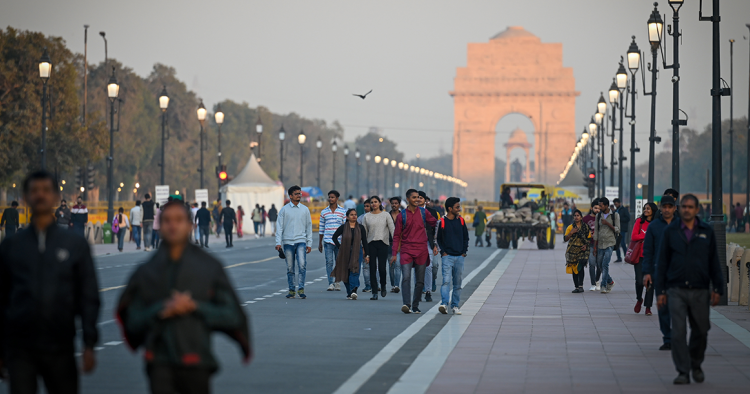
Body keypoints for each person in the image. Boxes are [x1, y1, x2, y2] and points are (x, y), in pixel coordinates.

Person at [116, 200, 251, 394]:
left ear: (190, 225)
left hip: (197, 360)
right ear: (159, 226)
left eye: (179, 220)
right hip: (159, 361)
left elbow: (232, 315)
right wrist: (162, 309)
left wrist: (195, 307)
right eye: (167, 221)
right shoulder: (147, 272)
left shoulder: (209, 267)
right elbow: (132, 320)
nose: (173, 226)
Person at [0, 171, 100, 393]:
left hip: (60, 343)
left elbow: (88, 295)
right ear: (26, 197)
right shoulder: (12, 246)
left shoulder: (74, 245)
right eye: (34, 191)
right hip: (20, 346)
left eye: (46, 190)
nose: (40, 196)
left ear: (56, 197)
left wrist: (89, 342)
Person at [655, 194, 723, 385]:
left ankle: (695, 363)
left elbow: (714, 262)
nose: (686, 210)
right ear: (680, 208)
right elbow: (662, 263)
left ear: (697, 209)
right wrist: (660, 292)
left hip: (700, 289)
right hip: (676, 289)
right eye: (684, 206)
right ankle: (683, 371)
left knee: (701, 330)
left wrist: (717, 287)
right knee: (677, 332)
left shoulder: (706, 231)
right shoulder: (671, 232)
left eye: (690, 207)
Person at [392, 189, 438, 314]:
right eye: (414, 197)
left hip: (422, 250)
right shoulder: (402, 215)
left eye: (418, 197)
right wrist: (394, 253)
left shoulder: (424, 213)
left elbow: (435, 223)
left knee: (420, 280)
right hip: (406, 250)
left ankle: (415, 305)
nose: (417, 199)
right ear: (407, 199)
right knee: (406, 277)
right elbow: (396, 235)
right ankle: (406, 304)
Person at [642, 195, 677, 351]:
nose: (667, 209)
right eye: (665, 207)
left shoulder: (682, 225)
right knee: (663, 307)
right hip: (660, 272)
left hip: (678, 273)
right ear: (661, 208)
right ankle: (668, 338)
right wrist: (647, 272)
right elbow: (648, 251)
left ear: (675, 208)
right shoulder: (654, 226)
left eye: (670, 206)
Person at [276, 186, 313, 299]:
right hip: (288, 242)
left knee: (302, 265)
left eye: (300, 193)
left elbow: (309, 227)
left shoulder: (305, 209)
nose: (299, 195)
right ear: (290, 196)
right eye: (296, 193)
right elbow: (279, 227)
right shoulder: (284, 210)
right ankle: (292, 289)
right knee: (290, 268)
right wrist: (278, 242)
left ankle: (301, 289)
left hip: (301, 241)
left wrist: (309, 243)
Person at [437, 197, 468, 315]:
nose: (459, 209)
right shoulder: (442, 222)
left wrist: (464, 252)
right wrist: (443, 252)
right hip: (447, 256)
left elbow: (466, 237)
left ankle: (455, 305)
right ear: (450, 209)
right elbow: (438, 239)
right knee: (445, 281)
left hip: (460, 257)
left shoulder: (461, 221)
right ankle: (444, 304)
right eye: (457, 207)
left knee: (458, 283)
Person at [362, 195, 395, 300]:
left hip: (383, 243)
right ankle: (374, 291)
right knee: (372, 268)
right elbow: (364, 234)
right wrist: (364, 248)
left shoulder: (386, 215)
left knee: (382, 268)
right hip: (371, 244)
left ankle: (383, 285)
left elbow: (392, 229)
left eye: (376, 202)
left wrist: (396, 243)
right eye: (372, 202)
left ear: (380, 203)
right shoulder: (366, 216)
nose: (373, 204)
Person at [332, 209, 370, 300]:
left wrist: (367, 255)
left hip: (357, 251)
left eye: (355, 214)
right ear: (347, 217)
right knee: (346, 272)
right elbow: (334, 237)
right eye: (352, 215)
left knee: (355, 270)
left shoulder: (361, 228)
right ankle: (350, 292)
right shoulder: (343, 227)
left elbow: (364, 241)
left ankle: (354, 290)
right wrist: (340, 247)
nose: (354, 216)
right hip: (345, 251)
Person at [632, 202, 657, 315]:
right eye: (644, 208)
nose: (646, 210)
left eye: (648, 208)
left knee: (650, 283)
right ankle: (639, 299)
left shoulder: (657, 224)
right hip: (640, 257)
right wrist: (647, 235)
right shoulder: (639, 221)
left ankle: (648, 307)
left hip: (653, 257)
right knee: (639, 281)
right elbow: (634, 236)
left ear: (653, 210)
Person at [319, 190, 347, 291]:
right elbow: (321, 228)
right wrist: (320, 243)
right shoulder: (324, 212)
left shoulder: (343, 212)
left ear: (337, 199)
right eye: (329, 197)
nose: (330, 199)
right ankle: (331, 283)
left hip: (339, 242)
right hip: (327, 241)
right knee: (329, 262)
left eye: (332, 197)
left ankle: (337, 282)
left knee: (339, 262)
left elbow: (345, 228)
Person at [593, 197, 619, 294]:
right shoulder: (598, 216)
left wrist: (608, 223)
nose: (599, 207)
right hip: (600, 244)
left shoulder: (615, 215)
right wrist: (595, 246)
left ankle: (603, 285)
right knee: (599, 265)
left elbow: (617, 229)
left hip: (610, 243)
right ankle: (610, 281)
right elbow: (596, 231)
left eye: (601, 205)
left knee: (605, 264)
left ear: (606, 206)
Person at [564, 209, 590, 293]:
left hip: (582, 250)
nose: (576, 217)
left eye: (578, 215)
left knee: (580, 267)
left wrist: (586, 245)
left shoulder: (585, 227)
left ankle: (581, 286)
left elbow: (589, 238)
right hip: (572, 251)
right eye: (575, 216)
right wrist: (571, 233)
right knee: (574, 268)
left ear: (581, 217)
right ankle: (576, 286)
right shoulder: (570, 227)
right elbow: (565, 239)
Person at [583, 199, 600, 291]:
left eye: (599, 208)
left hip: (601, 244)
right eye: (595, 208)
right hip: (590, 244)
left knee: (600, 265)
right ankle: (593, 284)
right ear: (591, 208)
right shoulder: (586, 219)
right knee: (592, 264)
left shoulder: (603, 219)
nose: (597, 210)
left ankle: (597, 281)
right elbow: (582, 231)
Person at [358, 199, 373, 292]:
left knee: (376, 266)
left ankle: (376, 284)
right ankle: (368, 285)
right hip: (364, 245)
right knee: (366, 266)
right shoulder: (360, 218)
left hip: (375, 244)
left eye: (368, 206)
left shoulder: (379, 217)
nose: (366, 208)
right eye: (365, 206)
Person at [388, 197, 403, 293]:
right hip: (389, 243)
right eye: (392, 203)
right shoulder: (387, 216)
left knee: (398, 264)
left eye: (396, 203)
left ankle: (397, 285)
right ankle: (393, 284)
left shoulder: (403, 215)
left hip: (401, 243)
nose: (394, 205)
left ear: (399, 205)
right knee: (391, 265)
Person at [613, 198, 631, 262]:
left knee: (623, 243)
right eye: (615, 204)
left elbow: (628, 218)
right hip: (616, 229)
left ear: (619, 203)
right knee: (616, 243)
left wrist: (619, 219)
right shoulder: (615, 211)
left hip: (622, 228)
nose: (616, 205)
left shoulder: (624, 210)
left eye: (617, 204)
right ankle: (619, 257)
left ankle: (627, 257)